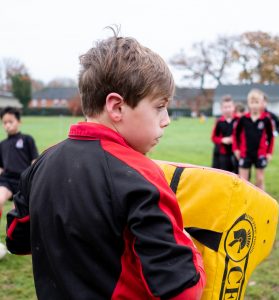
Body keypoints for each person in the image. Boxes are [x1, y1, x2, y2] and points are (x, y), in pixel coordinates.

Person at [6, 30, 205, 299]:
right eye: (159, 107)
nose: (166, 119)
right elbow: (183, 290)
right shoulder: (141, 175)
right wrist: (190, 246)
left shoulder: (41, 164)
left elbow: (16, 238)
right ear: (116, 107)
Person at [0, 106, 38, 255]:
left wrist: (34, 179)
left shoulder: (27, 139)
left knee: (22, 212)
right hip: (7, 181)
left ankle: (22, 241)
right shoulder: (2, 144)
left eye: (10, 121)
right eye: (4, 122)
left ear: (19, 122)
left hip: (24, 182)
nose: (7, 125)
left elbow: (34, 161)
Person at [233, 89, 274, 190]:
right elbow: (235, 135)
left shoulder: (266, 119)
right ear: (248, 103)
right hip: (245, 153)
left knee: (260, 180)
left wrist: (269, 153)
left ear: (261, 103)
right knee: (243, 180)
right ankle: (244, 202)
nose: (254, 105)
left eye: (257, 102)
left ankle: (260, 203)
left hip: (260, 154)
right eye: (252, 102)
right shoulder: (243, 119)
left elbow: (271, 137)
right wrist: (236, 149)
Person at [211, 95, 238, 173]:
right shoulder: (219, 122)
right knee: (223, 174)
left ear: (233, 107)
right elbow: (213, 137)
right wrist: (222, 140)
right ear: (221, 109)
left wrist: (234, 139)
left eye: (229, 107)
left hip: (236, 153)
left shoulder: (239, 120)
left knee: (237, 176)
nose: (227, 109)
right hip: (223, 153)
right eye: (225, 107)